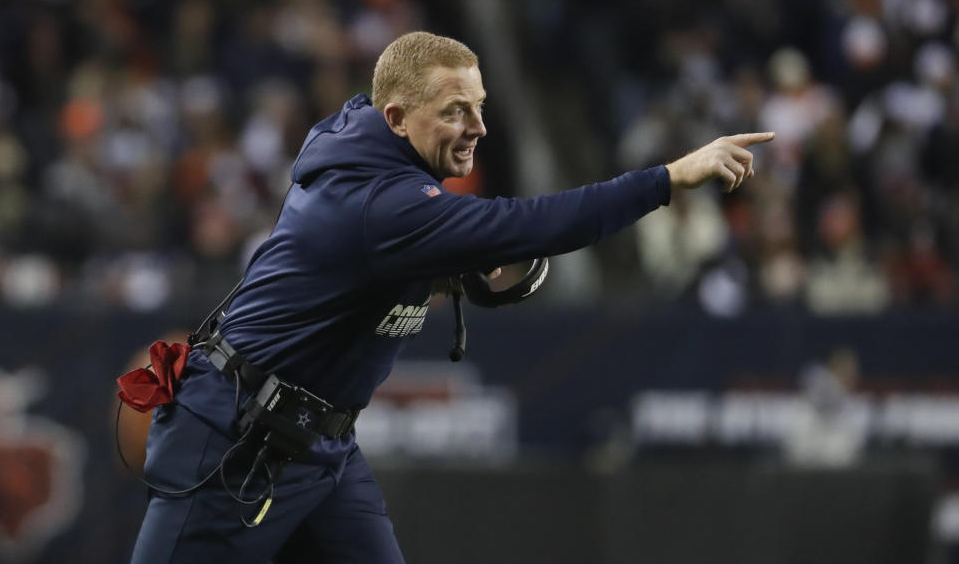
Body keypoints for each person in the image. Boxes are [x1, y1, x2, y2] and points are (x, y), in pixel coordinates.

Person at [126, 31, 774, 564]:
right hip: (238, 444)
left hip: (320, 444)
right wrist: (666, 178)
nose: (478, 127)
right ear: (398, 118)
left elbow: (380, 253)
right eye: (454, 110)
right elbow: (528, 225)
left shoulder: (371, 150)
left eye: (479, 105)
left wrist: (440, 267)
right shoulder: (385, 204)